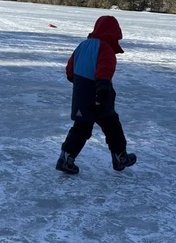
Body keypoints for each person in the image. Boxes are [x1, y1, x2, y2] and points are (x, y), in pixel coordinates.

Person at [56, 15, 137, 175]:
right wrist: (100, 95)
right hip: (100, 96)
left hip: (81, 95)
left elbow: (70, 71)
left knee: (81, 128)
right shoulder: (105, 48)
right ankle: (120, 157)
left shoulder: (83, 45)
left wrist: (79, 84)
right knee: (113, 127)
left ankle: (65, 158)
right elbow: (104, 73)